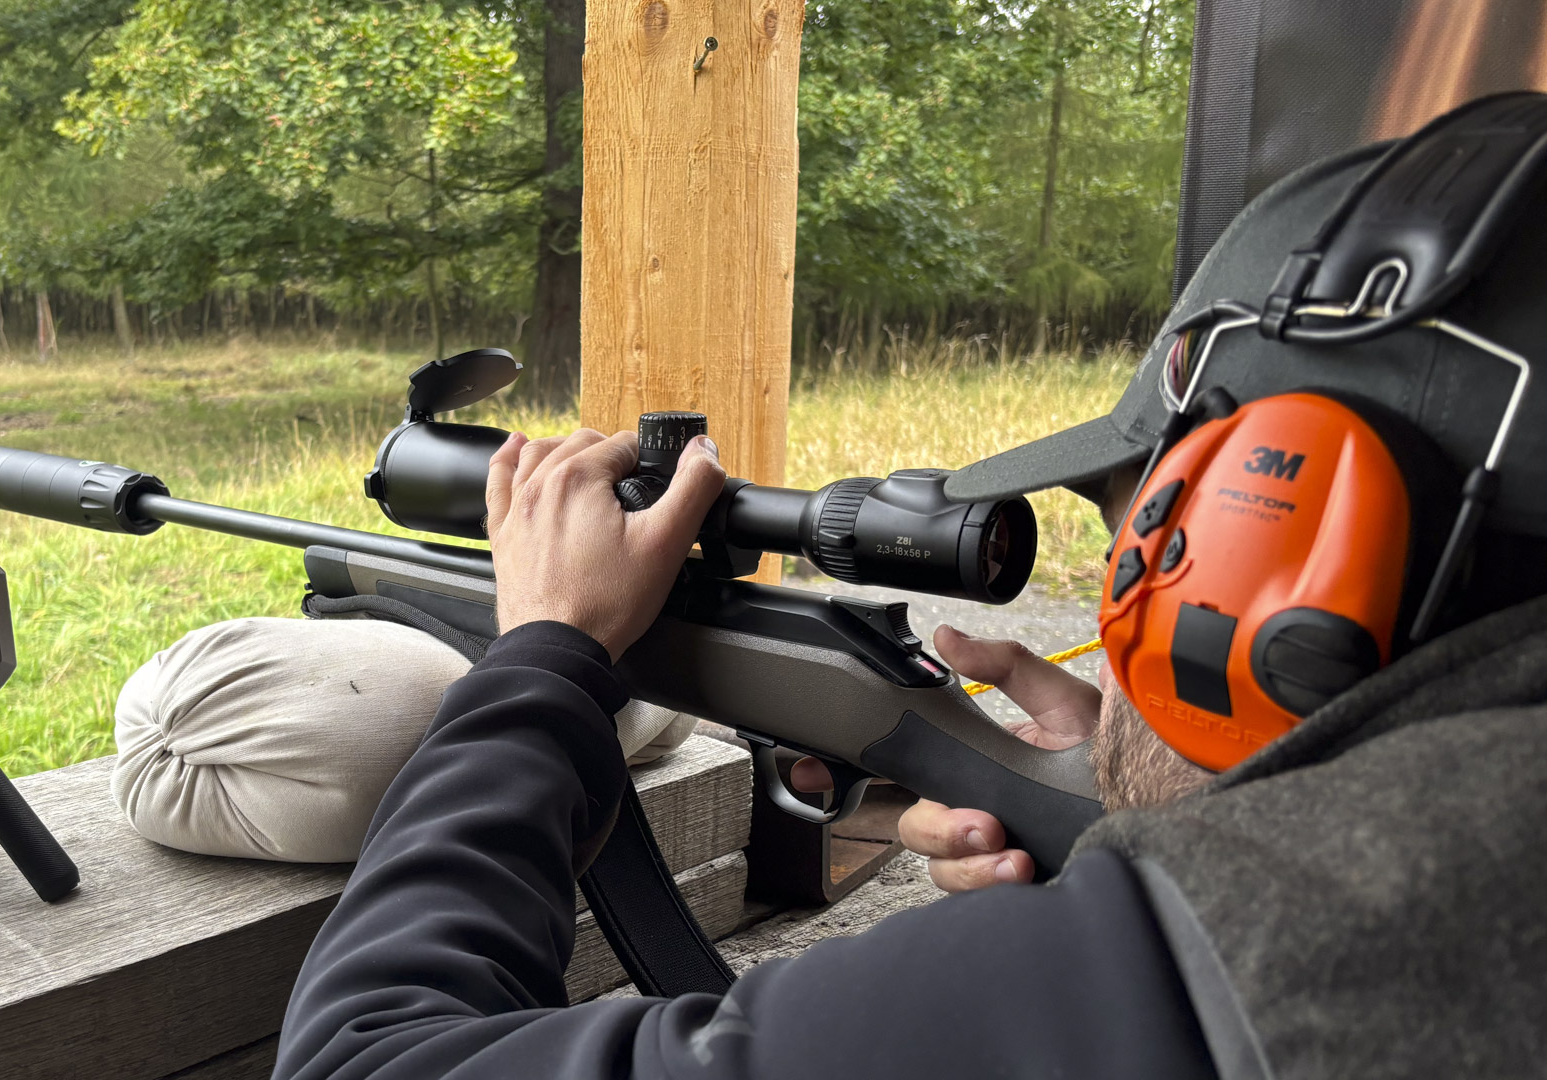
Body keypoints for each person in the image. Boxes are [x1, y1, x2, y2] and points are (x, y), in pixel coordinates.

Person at [272, 138, 1547, 1079]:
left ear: (1261, 534)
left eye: (1135, 519)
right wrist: (1177, 804)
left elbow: (361, 1059)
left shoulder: (1251, 958)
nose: (1121, 583)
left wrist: (546, 648)